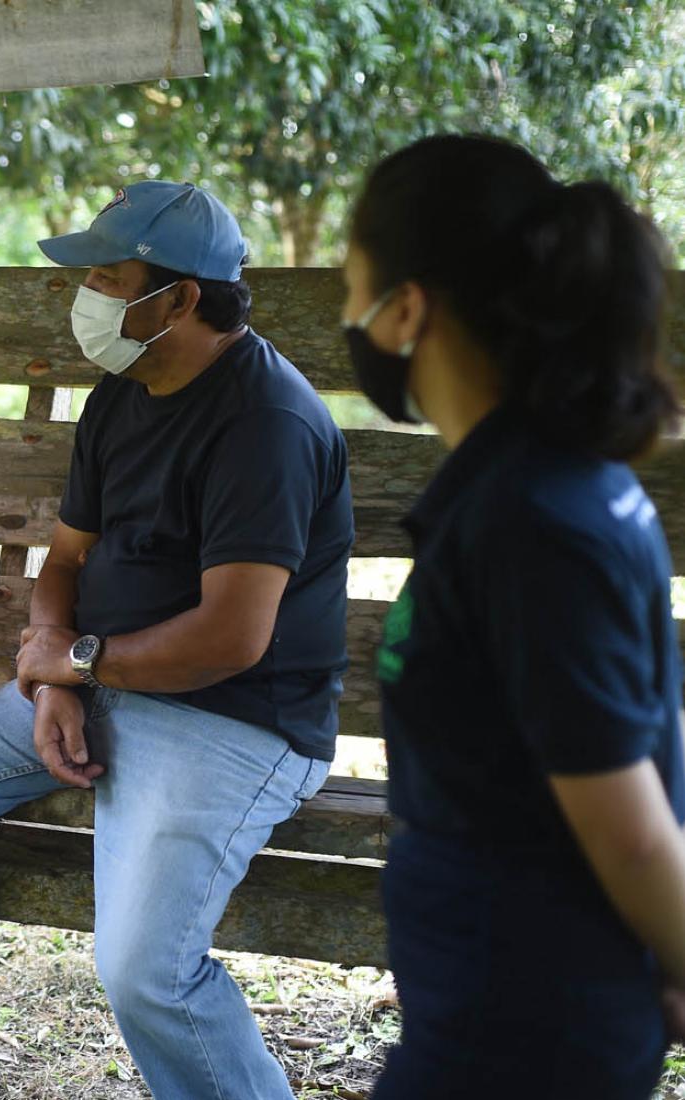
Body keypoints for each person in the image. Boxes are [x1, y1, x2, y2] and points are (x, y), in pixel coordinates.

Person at [0, 181, 353, 1100]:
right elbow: (63, 564)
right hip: (103, 683)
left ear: (178, 298)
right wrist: (53, 672)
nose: (85, 295)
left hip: (236, 718)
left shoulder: (268, 424)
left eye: (105, 275)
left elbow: (233, 638)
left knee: (145, 972)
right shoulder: (122, 395)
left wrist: (80, 663)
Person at [343, 134, 685, 1099]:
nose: (346, 316)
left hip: (524, 1031)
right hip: (501, 1004)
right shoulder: (540, 484)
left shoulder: (531, 521)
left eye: (351, 286)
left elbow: (632, 830)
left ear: (406, 309)